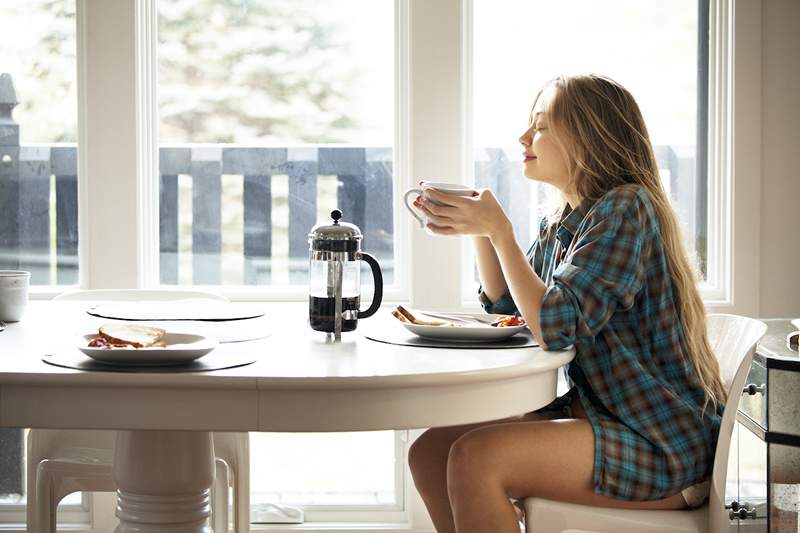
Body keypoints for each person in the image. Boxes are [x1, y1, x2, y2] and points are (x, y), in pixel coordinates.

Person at [407, 74, 725, 533]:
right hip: (603, 417)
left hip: (661, 442)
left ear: (588, 136)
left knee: (476, 459)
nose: (523, 138)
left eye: (539, 126)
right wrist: (482, 233)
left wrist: (501, 233)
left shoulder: (627, 209)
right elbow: (513, 314)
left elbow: (552, 325)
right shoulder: (565, 220)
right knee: (431, 452)